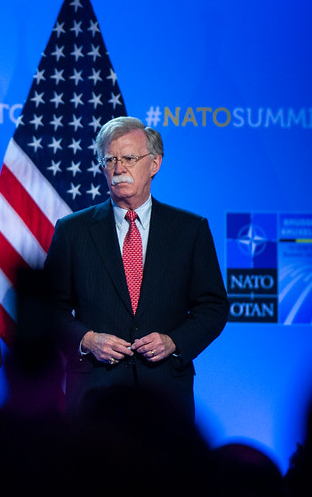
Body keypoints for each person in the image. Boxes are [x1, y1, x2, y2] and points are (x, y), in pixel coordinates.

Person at [41, 116, 228, 419]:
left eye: (129, 158)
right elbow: (48, 308)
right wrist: (87, 340)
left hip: (165, 394)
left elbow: (213, 306)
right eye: (110, 159)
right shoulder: (72, 230)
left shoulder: (189, 230)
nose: (118, 169)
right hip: (94, 394)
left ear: (154, 164)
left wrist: (174, 342)